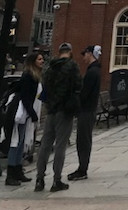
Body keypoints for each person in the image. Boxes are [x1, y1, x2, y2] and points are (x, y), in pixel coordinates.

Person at [35, 41, 82, 192]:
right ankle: (56, 180)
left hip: (51, 110)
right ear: (70, 52)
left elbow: (45, 87)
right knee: (60, 145)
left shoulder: (50, 67)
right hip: (64, 110)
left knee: (45, 145)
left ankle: (39, 179)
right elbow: (78, 86)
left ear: (59, 51)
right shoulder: (72, 66)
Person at [4, 50, 43, 186]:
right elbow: (26, 98)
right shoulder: (28, 76)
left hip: (24, 113)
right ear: (33, 62)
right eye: (39, 59)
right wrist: (33, 115)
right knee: (15, 142)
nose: (42, 61)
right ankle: (11, 173)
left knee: (21, 142)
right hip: (19, 113)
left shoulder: (34, 76)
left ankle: (18, 169)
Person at [69, 44, 102, 182]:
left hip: (86, 110)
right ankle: (82, 168)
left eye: (84, 54)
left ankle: (82, 169)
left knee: (83, 140)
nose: (83, 57)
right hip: (89, 110)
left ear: (90, 54)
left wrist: (75, 105)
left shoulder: (92, 72)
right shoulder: (95, 70)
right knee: (84, 140)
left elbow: (84, 94)